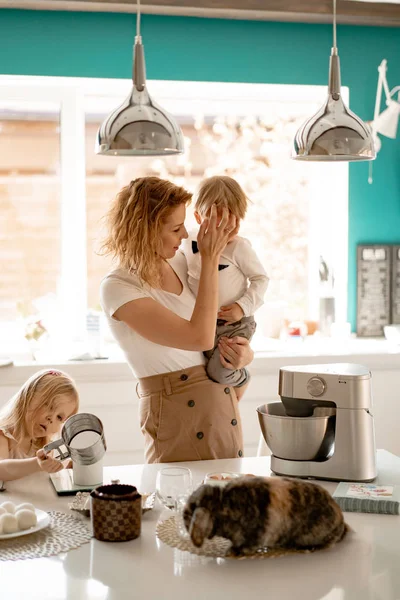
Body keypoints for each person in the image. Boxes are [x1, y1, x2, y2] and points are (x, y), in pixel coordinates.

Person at [100, 176, 254, 464]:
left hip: (220, 406)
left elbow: (213, 335)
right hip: (174, 413)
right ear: (144, 230)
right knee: (175, 504)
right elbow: (199, 338)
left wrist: (244, 356)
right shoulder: (119, 287)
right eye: (175, 228)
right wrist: (210, 258)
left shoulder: (181, 261)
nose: (185, 235)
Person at [182, 175, 269, 389]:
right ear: (198, 217)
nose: (225, 231)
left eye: (233, 223)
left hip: (234, 324)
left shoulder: (239, 248)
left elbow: (261, 279)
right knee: (200, 372)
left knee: (219, 372)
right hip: (203, 324)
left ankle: (241, 380)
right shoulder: (186, 243)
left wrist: (242, 307)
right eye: (217, 222)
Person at [0, 369, 79, 483]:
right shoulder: (3, 436)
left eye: (59, 417)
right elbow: (1, 469)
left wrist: (67, 464)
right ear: (27, 397)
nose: (51, 419)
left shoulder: (42, 446)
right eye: (49, 406)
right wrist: (37, 463)